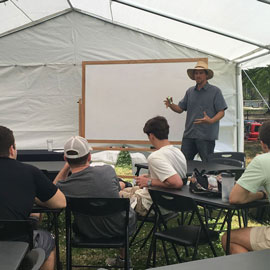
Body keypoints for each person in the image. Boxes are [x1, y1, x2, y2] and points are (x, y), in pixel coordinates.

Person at [53, 135, 136, 267]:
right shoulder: (107, 171)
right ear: (89, 157)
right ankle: (123, 260)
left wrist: (66, 167)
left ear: (65, 159)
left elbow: (52, 189)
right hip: (119, 229)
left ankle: (122, 260)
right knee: (120, 204)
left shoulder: (65, 187)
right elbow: (116, 187)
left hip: (86, 231)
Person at [0, 125, 66, 270]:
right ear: (12, 149)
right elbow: (61, 202)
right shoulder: (30, 172)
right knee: (48, 241)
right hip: (19, 242)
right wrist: (33, 196)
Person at [120, 116, 187, 216]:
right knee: (124, 189)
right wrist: (148, 178)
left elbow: (177, 182)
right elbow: (170, 176)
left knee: (111, 195)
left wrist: (149, 181)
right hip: (174, 202)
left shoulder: (155, 157)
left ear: (151, 136)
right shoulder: (177, 152)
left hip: (154, 205)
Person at [221, 121, 270, 254]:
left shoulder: (262, 161)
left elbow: (235, 198)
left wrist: (261, 194)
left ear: (263, 144)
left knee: (228, 238)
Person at [164, 60, 227, 161]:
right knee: (184, 165)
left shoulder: (215, 91)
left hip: (206, 136)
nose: (198, 75)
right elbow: (180, 109)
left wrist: (211, 120)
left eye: (201, 73)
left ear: (206, 75)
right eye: (196, 73)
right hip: (189, 135)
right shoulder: (190, 91)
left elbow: (221, 112)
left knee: (208, 167)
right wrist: (171, 104)